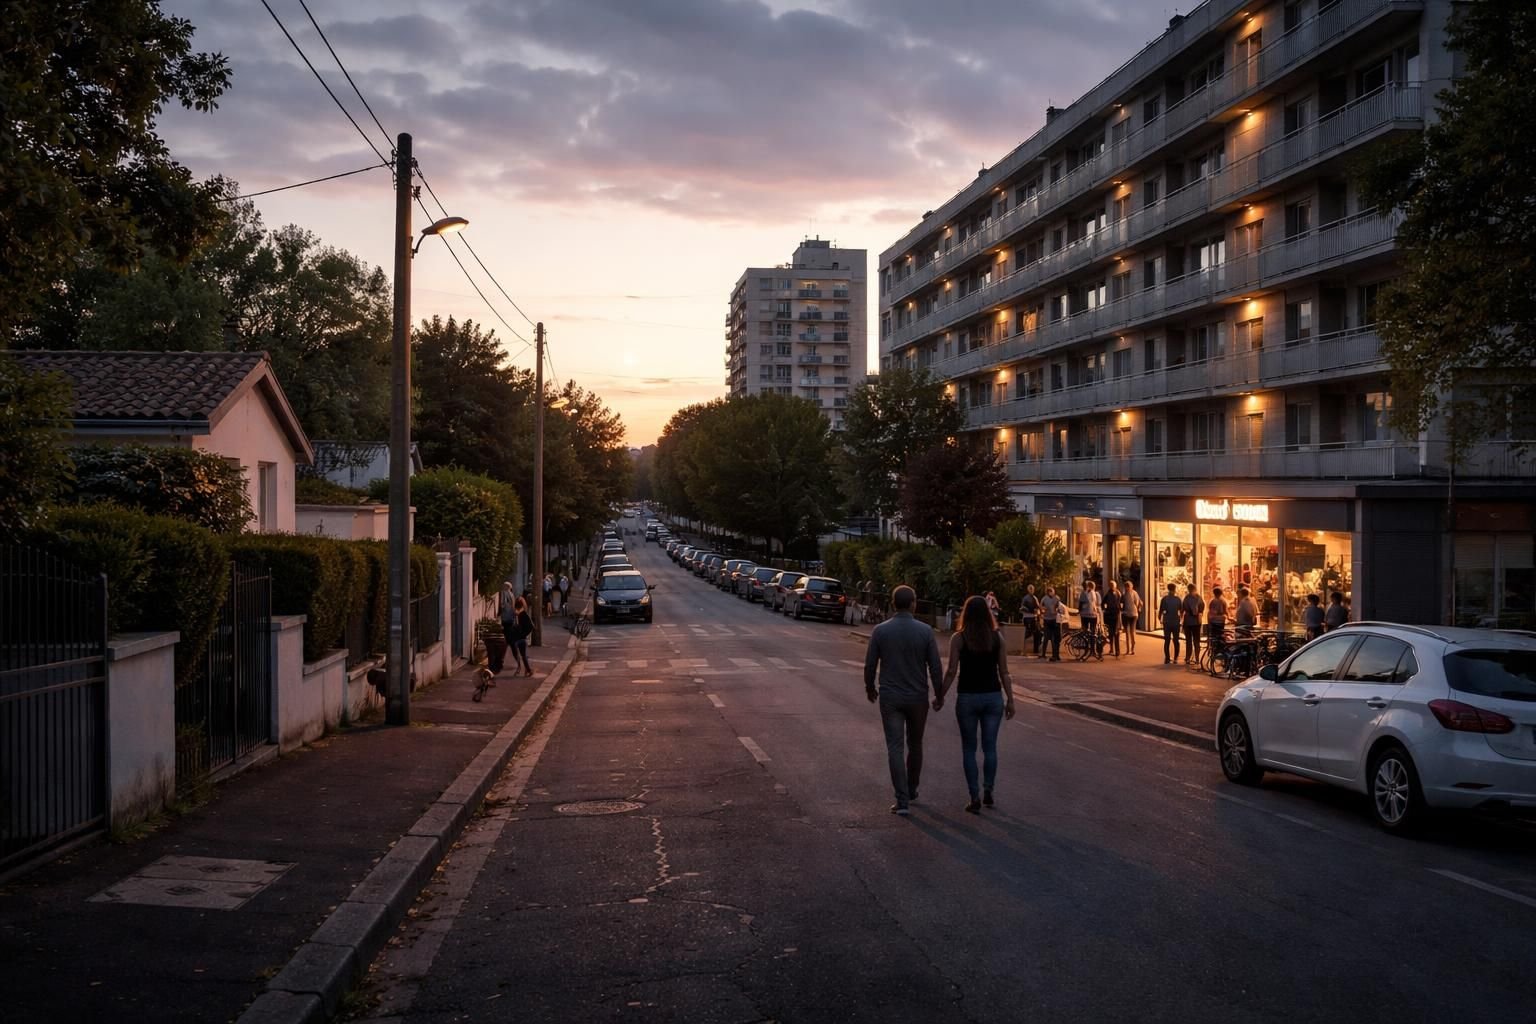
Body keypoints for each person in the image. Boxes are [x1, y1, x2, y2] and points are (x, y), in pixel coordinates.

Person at [863, 585, 944, 816]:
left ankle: (901, 799)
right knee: (916, 744)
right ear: (913, 604)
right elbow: (935, 667)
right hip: (918, 697)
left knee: (895, 747)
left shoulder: (880, 631)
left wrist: (870, 687)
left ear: (893, 604)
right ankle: (912, 788)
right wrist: (939, 694)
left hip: (891, 697)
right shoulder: (925, 631)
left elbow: (870, 664)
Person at [934, 596, 1017, 814]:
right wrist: (1010, 700)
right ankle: (988, 789)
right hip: (993, 696)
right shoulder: (997, 638)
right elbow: (1004, 672)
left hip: (968, 697)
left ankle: (974, 796)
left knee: (969, 748)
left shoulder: (959, 638)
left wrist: (940, 696)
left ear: (966, 613)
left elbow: (951, 671)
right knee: (990, 747)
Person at [503, 589, 534, 677]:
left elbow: (530, 626)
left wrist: (523, 633)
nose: (516, 610)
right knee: (521, 654)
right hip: (519, 637)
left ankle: (524, 669)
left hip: (520, 638)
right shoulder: (519, 615)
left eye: (518, 608)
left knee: (521, 654)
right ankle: (526, 669)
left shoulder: (522, 615)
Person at [1039, 585, 1065, 662]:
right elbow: (1040, 606)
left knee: (1054, 638)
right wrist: (1043, 609)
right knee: (1049, 638)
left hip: (1053, 619)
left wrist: (1056, 610)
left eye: (1051, 591)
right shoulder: (1046, 598)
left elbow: (1060, 607)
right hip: (1049, 619)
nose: (1050, 593)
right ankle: (1052, 655)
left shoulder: (1056, 598)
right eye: (1049, 592)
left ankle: (1055, 655)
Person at [1159, 584, 1183, 664]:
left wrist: (1160, 618)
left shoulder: (1164, 599)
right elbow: (1181, 611)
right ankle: (1176, 658)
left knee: (1167, 640)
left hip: (1167, 622)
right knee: (1176, 640)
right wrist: (1181, 619)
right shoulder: (1178, 599)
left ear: (1168, 589)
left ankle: (1167, 658)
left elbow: (1161, 610)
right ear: (1175, 589)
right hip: (1175, 622)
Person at [1182, 584, 1205, 665]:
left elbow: (1183, 608)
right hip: (1196, 622)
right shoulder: (1199, 598)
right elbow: (1202, 608)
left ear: (1188, 589)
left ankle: (1188, 658)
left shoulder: (1186, 598)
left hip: (1188, 622)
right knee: (1196, 641)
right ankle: (1197, 659)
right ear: (1195, 589)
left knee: (1188, 640)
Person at [1077, 580, 1102, 654]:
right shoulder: (1096, 594)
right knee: (1093, 632)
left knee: (1085, 632)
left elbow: (1080, 604)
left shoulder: (1083, 593)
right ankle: (1092, 649)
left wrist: (1079, 611)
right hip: (1093, 615)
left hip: (1085, 615)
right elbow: (1099, 604)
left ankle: (1086, 648)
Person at [1020, 585, 1042, 657]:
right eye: (1030, 589)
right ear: (1028, 590)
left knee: (1037, 633)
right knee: (1028, 633)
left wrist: (1038, 613)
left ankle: (1036, 650)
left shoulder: (1035, 598)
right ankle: (1023, 649)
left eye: (1032, 589)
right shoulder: (1025, 598)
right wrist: (1028, 610)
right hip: (1027, 617)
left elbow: (1038, 607)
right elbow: (1022, 607)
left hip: (1033, 617)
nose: (1031, 590)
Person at [1102, 580, 1123, 657]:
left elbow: (1121, 603)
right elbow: (1103, 602)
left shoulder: (1118, 593)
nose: (1112, 587)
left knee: (1116, 633)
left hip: (1116, 615)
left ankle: (1117, 651)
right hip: (1109, 615)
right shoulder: (1108, 594)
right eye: (1110, 586)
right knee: (1111, 634)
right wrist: (1105, 609)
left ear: (1115, 586)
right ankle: (1111, 649)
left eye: (1113, 586)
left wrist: (1120, 609)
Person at [1120, 581, 1142, 656]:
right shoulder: (1131, 594)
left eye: (1128, 587)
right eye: (1126, 587)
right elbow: (1137, 603)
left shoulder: (1129, 594)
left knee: (1129, 632)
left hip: (1131, 614)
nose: (1127, 588)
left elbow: (1138, 603)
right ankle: (1130, 649)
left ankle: (1130, 649)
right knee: (1130, 632)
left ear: (1131, 586)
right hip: (1131, 614)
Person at [1207, 586, 1229, 655]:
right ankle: (1220, 650)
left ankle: (1214, 650)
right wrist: (1228, 617)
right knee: (1220, 635)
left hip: (1213, 620)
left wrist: (1209, 621)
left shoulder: (1212, 601)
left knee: (1214, 635)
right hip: (1221, 621)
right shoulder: (1223, 601)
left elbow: (1210, 611)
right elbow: (1226, 611)